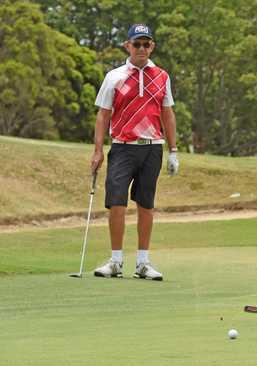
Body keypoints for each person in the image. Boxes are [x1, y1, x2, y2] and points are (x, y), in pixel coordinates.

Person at [90, 24, 179, 281]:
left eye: (146, 44)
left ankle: (142, 263)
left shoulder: (162, 76)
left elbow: (168, 113)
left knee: (145, 204)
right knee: (116, 202)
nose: (141, 48)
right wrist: (97, 150)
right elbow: (103, 115)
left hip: (152, 148)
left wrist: (173, 150)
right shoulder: (114, 76)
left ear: (152, 47)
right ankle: (116, 261)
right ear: (127, 46)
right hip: (122, 147)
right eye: (136, 44)